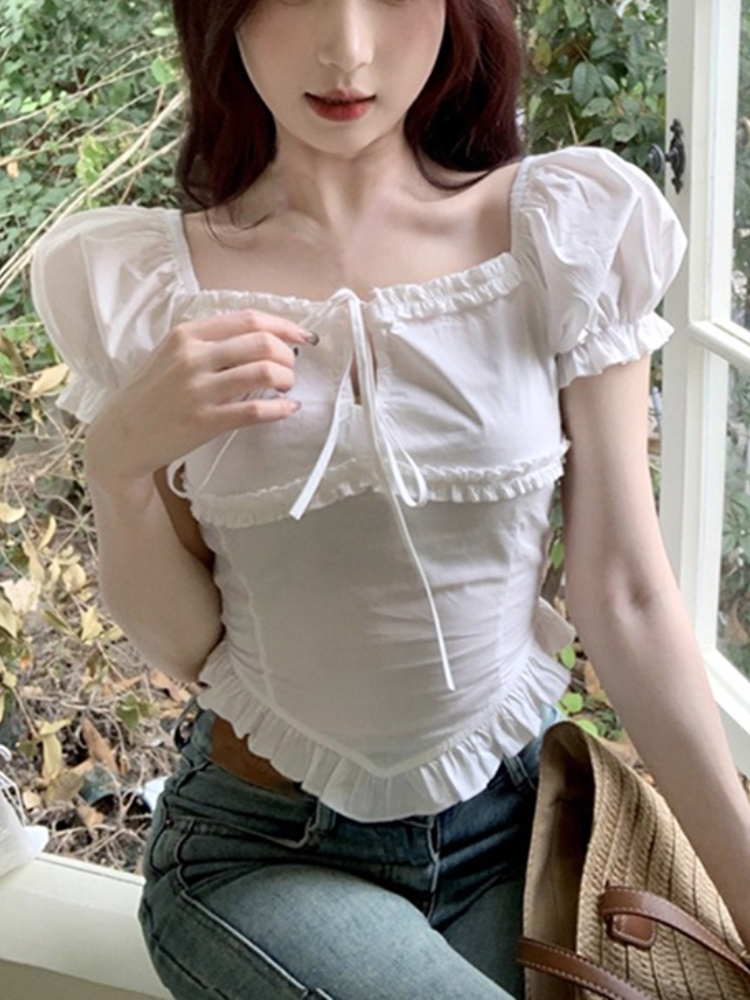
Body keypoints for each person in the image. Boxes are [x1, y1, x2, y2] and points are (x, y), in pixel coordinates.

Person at [30, 0, 750, 997]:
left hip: (519, 827)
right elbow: (194, 650)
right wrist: (117, 464)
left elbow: (625, 594)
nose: (348, 49)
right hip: (265, 849)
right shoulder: (150, 281)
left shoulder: (561, 233)